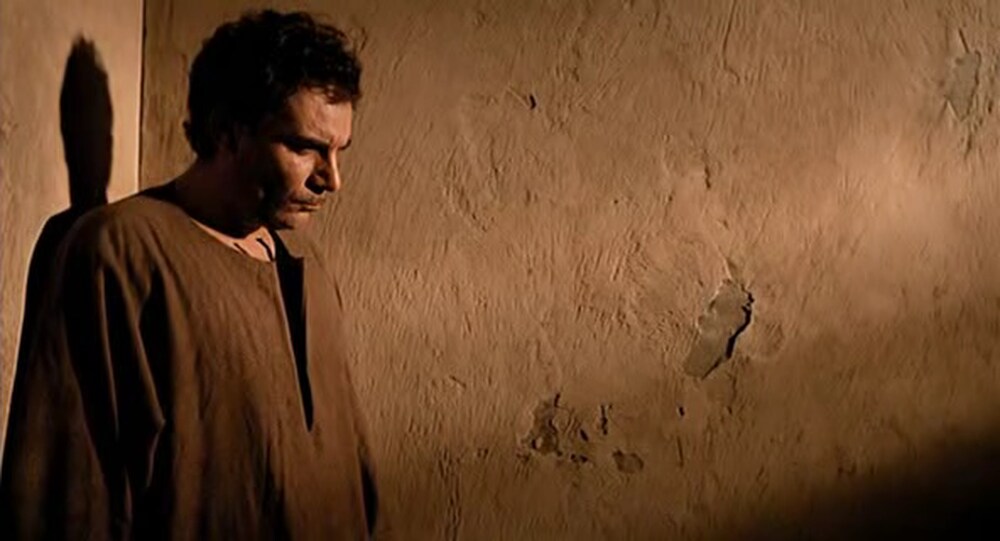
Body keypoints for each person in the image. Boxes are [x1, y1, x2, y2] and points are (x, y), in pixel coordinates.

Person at [1, 10, 377, 540]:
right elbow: (69, 491)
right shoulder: (121, 250)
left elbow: (349, 469)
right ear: (227, 131)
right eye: (303, 147)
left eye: (339, 152)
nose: (331, 180)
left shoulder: (306, 266)